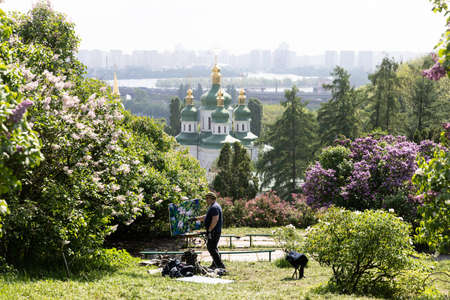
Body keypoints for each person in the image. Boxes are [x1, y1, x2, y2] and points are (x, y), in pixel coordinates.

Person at [194, 191, 225, 269]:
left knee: (211, 248)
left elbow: (215, 220)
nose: (206, 200)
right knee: (213, 247)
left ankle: (220, 266)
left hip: (214, 231)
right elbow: (206, 216)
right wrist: (195, 219)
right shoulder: (213, 206)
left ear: (212, 199)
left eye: (207, 199)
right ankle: (215, 264)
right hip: (214, 231)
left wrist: (210, 230)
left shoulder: (214, 207)